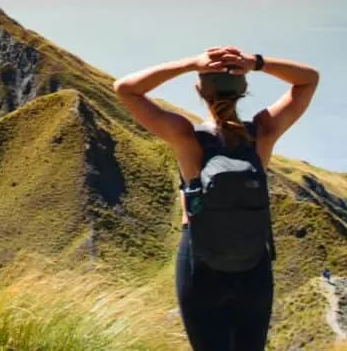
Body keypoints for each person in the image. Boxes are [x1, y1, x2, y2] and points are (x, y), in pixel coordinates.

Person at [113, 46, 319, 351]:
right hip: (253, 263)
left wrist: (189, 63)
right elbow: (308, 79)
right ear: (245, 89)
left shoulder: (185, 136)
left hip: (200, 262)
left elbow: (126, 89)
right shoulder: (262, 132)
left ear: (198, 90)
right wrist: (255, 62)